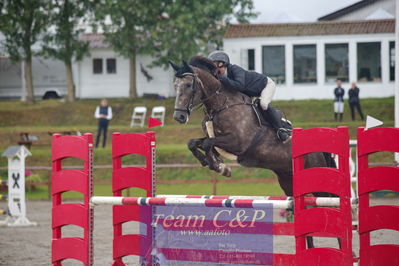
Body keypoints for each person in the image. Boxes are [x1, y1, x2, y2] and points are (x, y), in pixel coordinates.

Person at [208, 50, 291, 143]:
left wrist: (224, 79)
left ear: (222, 64)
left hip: (265, 85)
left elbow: (239, 86)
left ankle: (281, 130)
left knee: (263, 104)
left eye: (216, 68)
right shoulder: (222, 76)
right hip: (251, 93)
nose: (216, 72)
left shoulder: (235, 69)